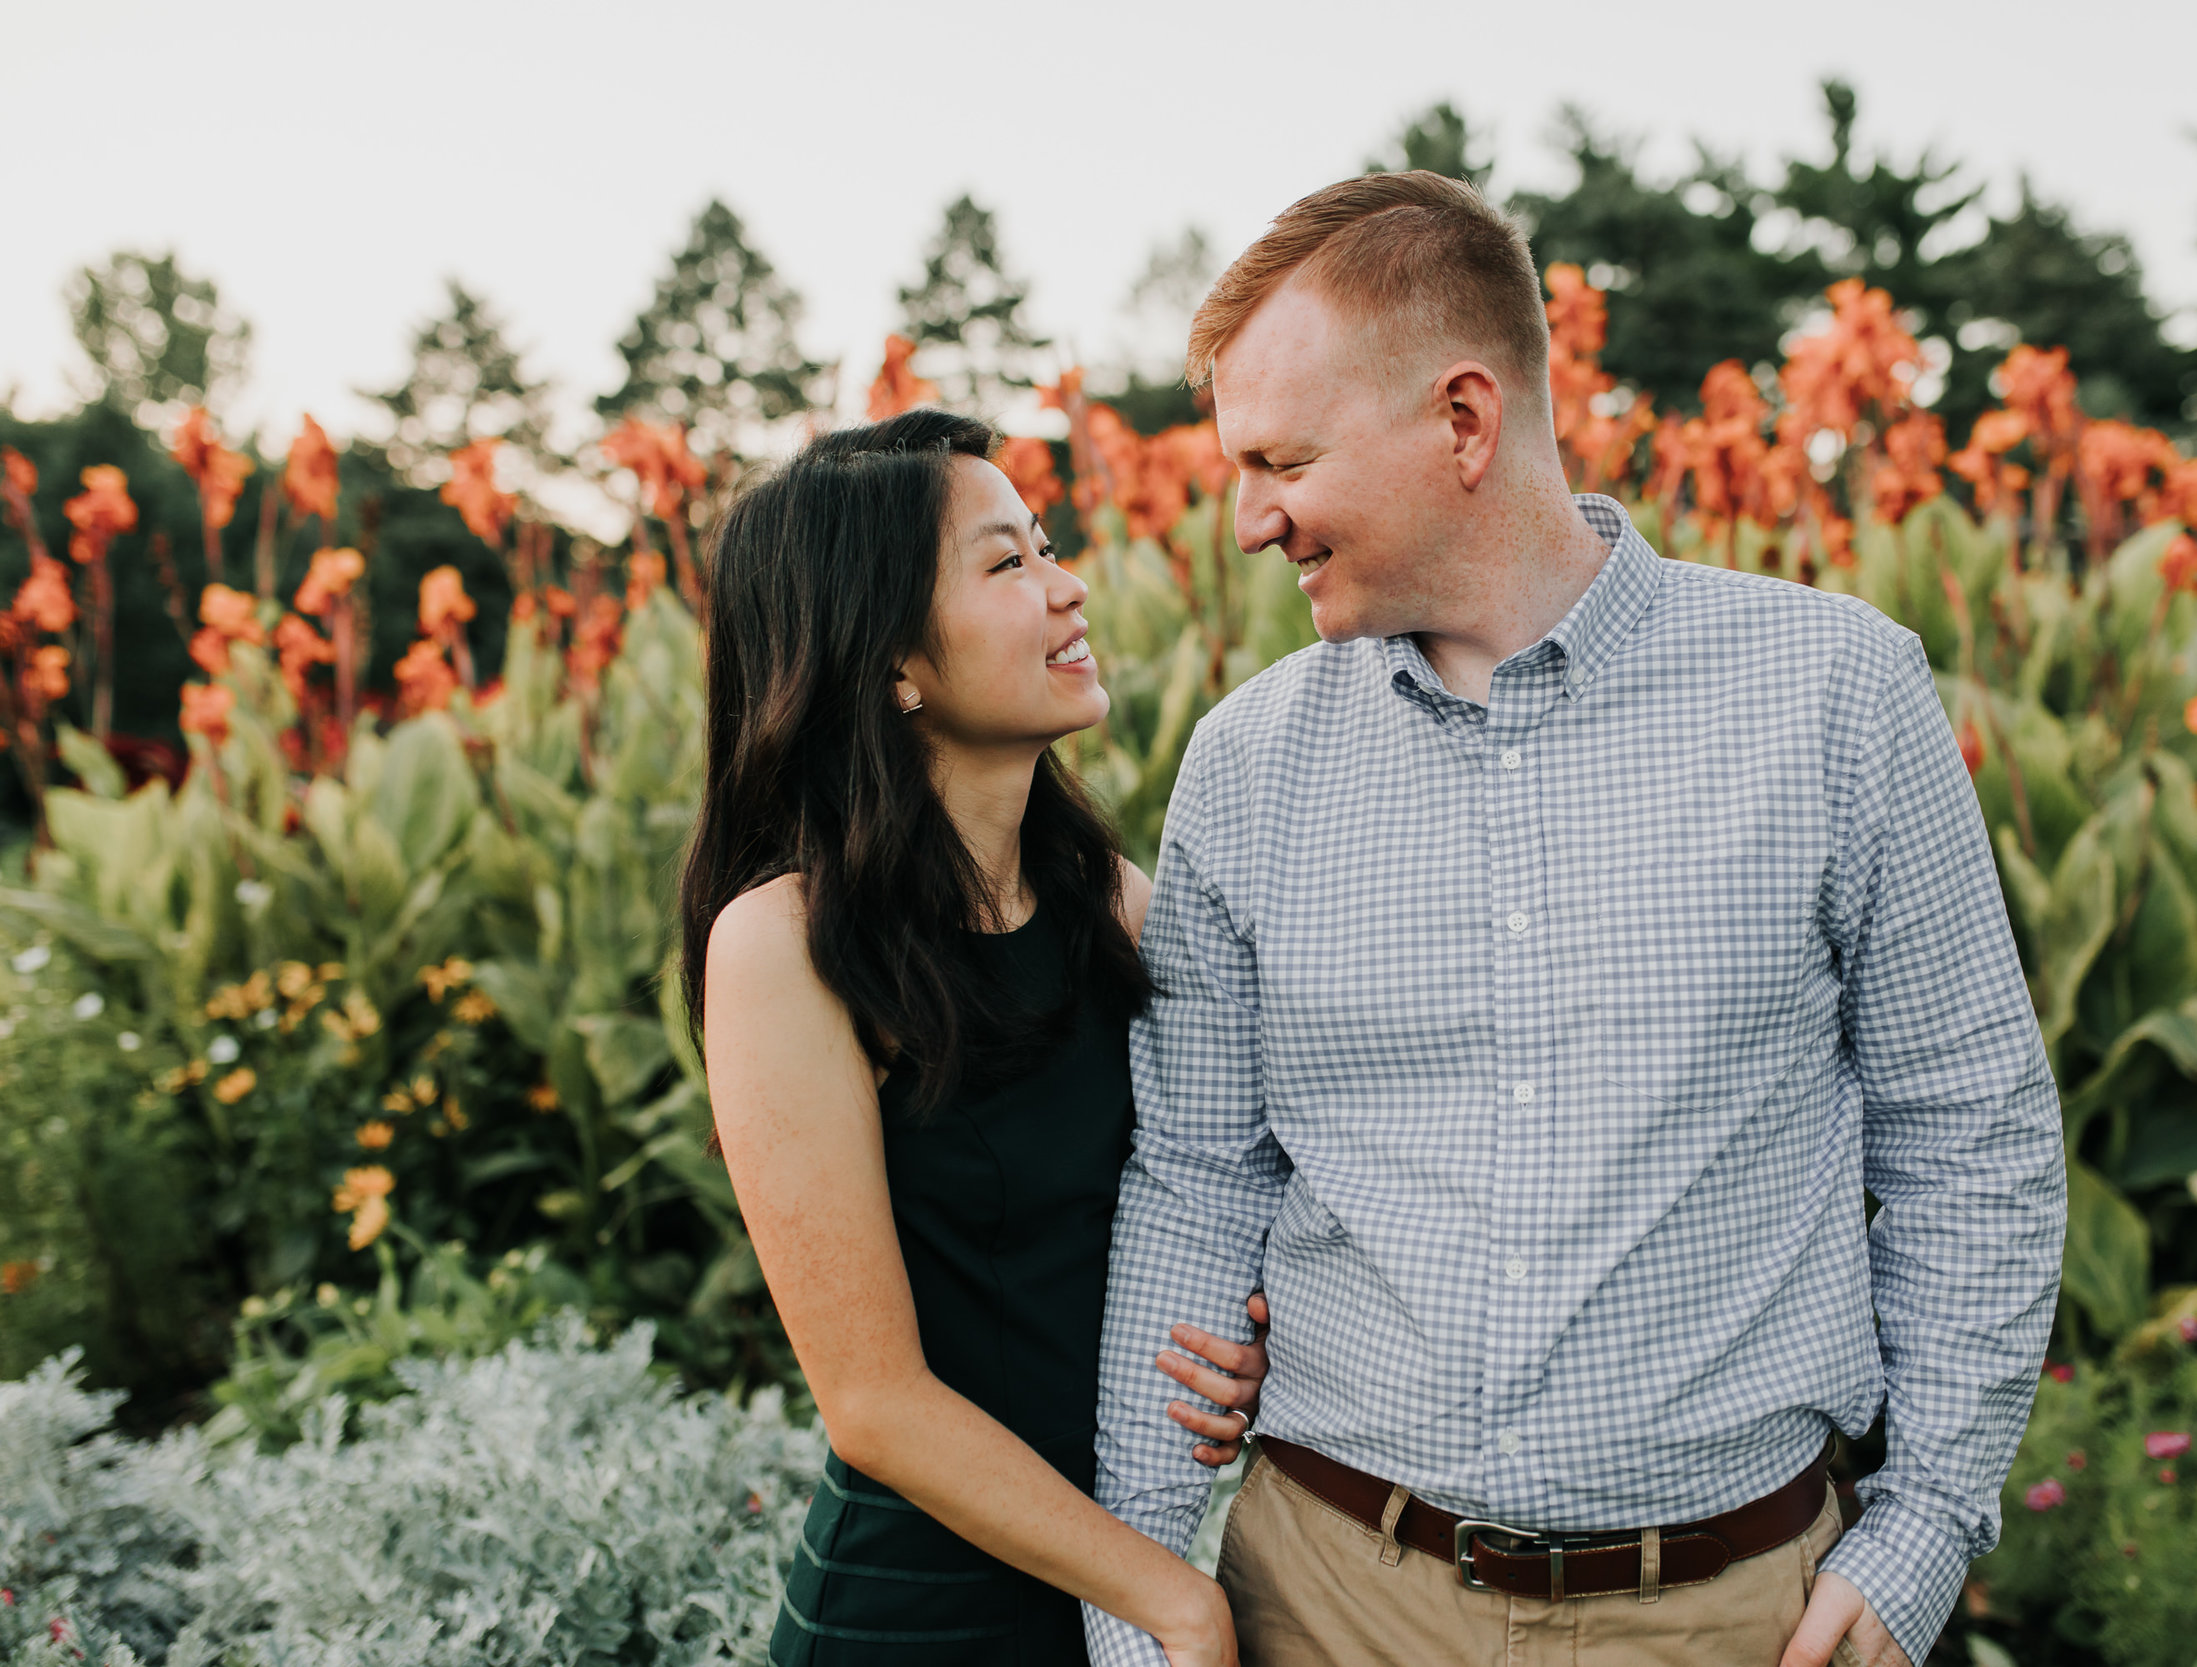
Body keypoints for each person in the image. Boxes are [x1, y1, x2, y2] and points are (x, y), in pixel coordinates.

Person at [1085, 173, 2065, 1667]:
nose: (1247, 518)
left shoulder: (1838, 697)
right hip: (1329, 1601)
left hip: (1743, 1618)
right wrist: (1142, 1588)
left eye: (1281, 459)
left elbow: (1971, 1133)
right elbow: (1197, 1182)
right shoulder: (1242, 763)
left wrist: (1928, 1515)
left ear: (1465, 421)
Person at [685, 411, 1270, 1667]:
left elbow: (1221, 1177)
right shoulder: (783, 946)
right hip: (920, 1618)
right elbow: (876, 1403)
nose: (1068, 587)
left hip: (1104, 1587)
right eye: (1008, 564)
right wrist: (1175, 1597)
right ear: (891, 656)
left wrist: (1248, 1327)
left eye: (1047, 546)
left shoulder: (1108, 900)